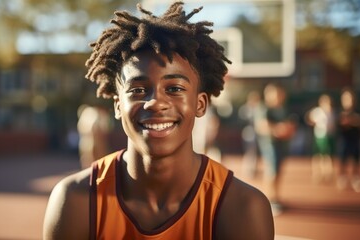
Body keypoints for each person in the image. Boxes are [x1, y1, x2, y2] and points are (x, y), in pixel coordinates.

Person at [43, 2, 274, 240]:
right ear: (117, 106)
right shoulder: (75, 200)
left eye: (174, 88)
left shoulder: (242, 208)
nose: (155, 102)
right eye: (138, 90)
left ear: (200, 104)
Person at [256, 83, 296, 215]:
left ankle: (275, 197)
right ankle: (269, 200)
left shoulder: (284, 109)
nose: (278, 96)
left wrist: (287, 129)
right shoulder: (264, 108)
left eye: (280, 94)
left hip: (282, 145)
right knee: (271, 172)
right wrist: (278, 129)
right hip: (270, 145)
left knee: (278, 172)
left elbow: (291, 126)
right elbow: (262, 126)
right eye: (275, 94)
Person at [305, 94, 336, 183]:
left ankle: (327, 174)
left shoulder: (331, 112)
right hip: (320, 137)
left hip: (329, 137)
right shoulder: (318, 111)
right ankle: (317, 174)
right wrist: (313, 123)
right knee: (319, 156)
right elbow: (309, 118)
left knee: (328, 156)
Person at [336, 88, 360, 192]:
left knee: (356, 159)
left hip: (355, 140)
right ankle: (342, 177)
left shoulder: (358, 112)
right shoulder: (340, 113)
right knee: (343, 159)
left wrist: (355, 122)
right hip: (344, 141)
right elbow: (336, 125)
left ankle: (356, 178)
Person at [238, 90, 265, 178]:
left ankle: (254, 169)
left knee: (255, 151)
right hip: (249, 132)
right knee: (249, 151)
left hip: (258, 133)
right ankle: (248, 170)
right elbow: (244, 120)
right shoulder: (246, 109)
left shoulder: (259, 108)